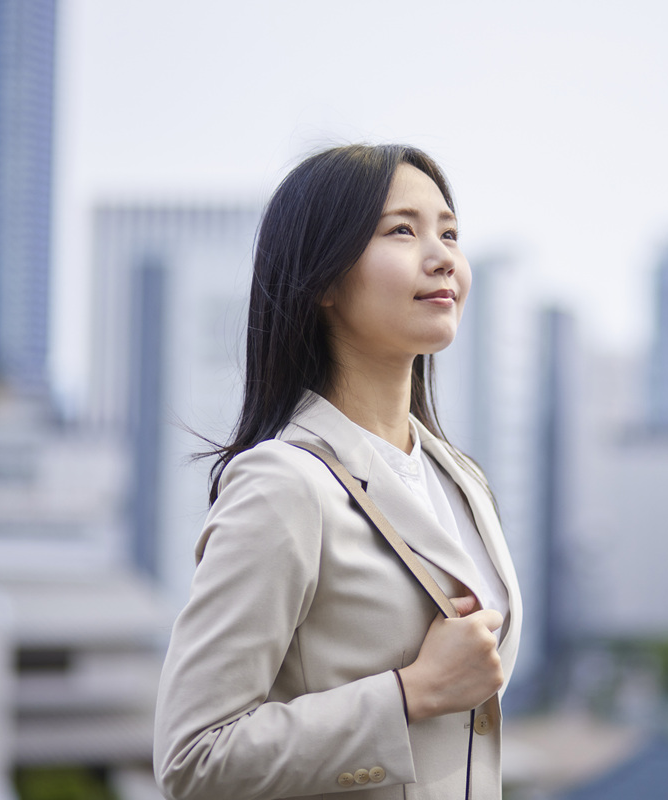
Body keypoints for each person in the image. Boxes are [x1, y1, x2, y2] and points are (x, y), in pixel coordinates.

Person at [153, 144, 523, 800]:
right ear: (323, 281)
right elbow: (193, 758)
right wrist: (411, 693)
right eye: (402, 231)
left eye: (449, 233)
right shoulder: (283, 485)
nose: (442, 256)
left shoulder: (462, 481)